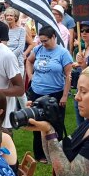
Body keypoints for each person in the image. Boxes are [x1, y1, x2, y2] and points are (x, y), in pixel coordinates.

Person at [25, 26, 73, 162]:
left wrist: (64, 95)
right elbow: (29, 61)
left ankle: (56, 153)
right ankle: (40, 154)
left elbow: (69, 75)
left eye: (46, 41)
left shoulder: (63, 53)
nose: (43, 44)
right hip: (36, 92)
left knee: (55, 124)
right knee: (36, 122)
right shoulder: (38, 49)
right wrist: (30, 75)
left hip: (55, 93)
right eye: (41, 41)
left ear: (54, 37)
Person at [4, 8, 31, 73]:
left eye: (11, 15)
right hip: (4, 61)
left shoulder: (21, 30)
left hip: (17, 62)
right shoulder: (3, 29)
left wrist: (10, 56)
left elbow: (21, 47)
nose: (8, 17)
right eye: (7, 15)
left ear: (15, 17)